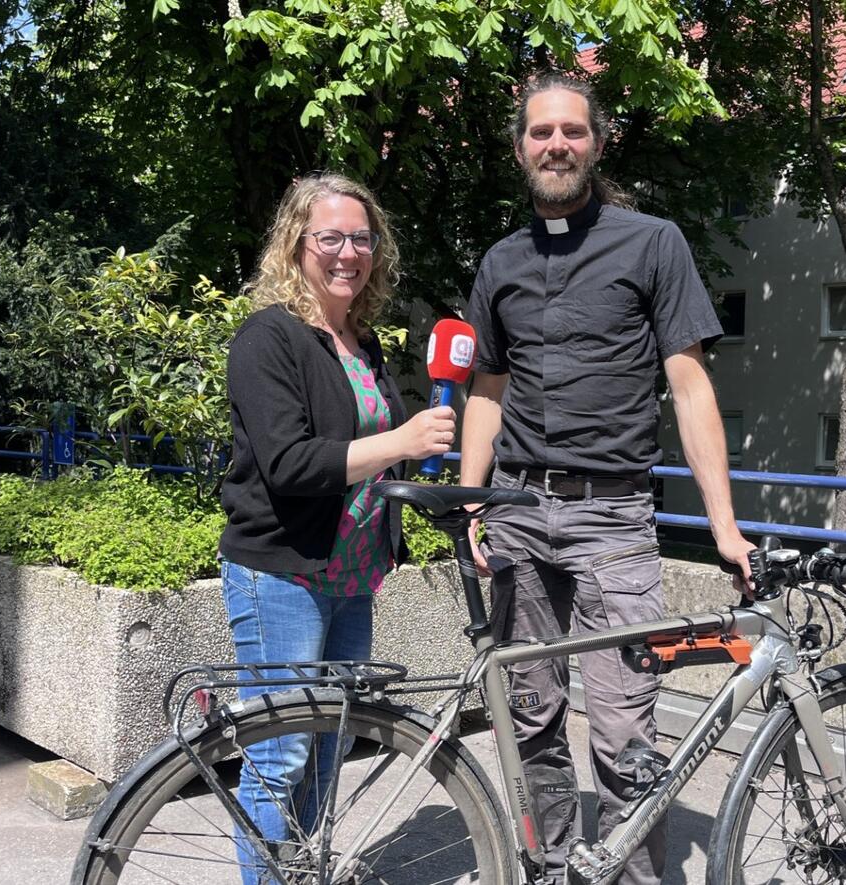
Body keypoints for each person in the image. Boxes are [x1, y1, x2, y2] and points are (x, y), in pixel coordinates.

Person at [459, 74, 754, 885]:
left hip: (613, 519)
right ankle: (552, 869)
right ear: (520, 147)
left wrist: (724, 524)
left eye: (573, 131)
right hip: (517, 511)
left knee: (626, 727)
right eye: (541, 132)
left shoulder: (652, 243)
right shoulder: (502, 261)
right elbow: (488, 387)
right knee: (530, 719)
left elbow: (690, 387)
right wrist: (470, 500)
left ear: (597, 142)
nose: (557, 144)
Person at [218, 172, 455, 883]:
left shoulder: (361, 340)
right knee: (281, 753)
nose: (348, 252)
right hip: (283, 572)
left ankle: (302, 872)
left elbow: (372, 461)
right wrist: (405, 440)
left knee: (327, 750)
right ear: (296, 245)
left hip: (352, 576)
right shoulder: (268, 338)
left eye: (361, 237)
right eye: (330, 237)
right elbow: (290, 464)